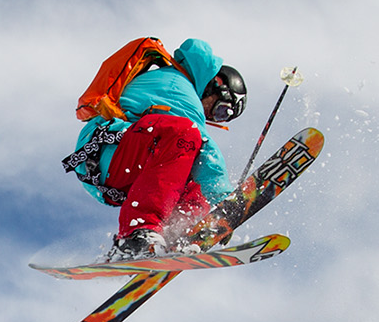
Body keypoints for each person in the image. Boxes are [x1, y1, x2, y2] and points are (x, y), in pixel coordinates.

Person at [64, 38, 247, 260]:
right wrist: (226, 202)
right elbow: (205, 148)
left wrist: (212, 217)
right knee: (187, 135)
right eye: (221, 111)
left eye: (222, 117)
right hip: (108, 152)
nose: (212, 117)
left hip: (118, 168)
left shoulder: (181, 89)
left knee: (192, 178)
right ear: (215, 84)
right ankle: (138, 234)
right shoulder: (177, 86)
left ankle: (174, 235)